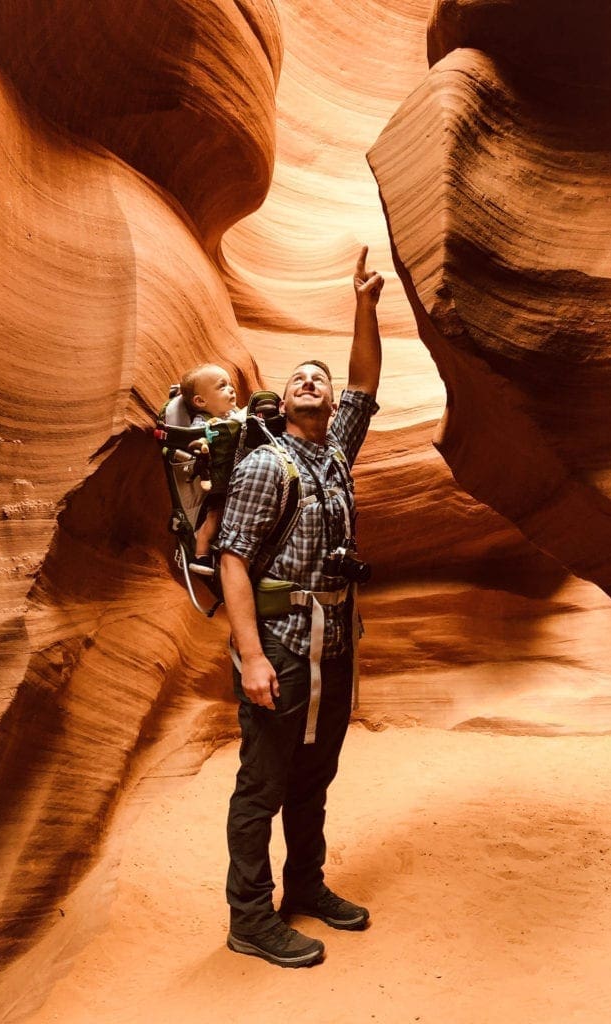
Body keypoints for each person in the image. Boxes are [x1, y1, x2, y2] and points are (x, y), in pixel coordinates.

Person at [218, 246, 384, 968]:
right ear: (285, 406)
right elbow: (231, 559)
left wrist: (365, 307)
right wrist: (251, 656)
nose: (314, 383)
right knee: (264, 779)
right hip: (283, 642)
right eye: (299, 380)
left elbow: (365, 384)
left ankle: (305, 886)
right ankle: (250, 918)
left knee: (315, 772)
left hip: (335, 638)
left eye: (319, 377)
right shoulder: (266, 463)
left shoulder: (336, 455)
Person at [178, 363, 242, 574]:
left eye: (230, 385)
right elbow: (195, 442)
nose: (231, 389)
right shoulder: (202, 423)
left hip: (236, 475)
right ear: (200, 401)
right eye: (222, 386)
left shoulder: (231, 415)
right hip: (216, 480)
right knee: (216, 515)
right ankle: (201, 553)